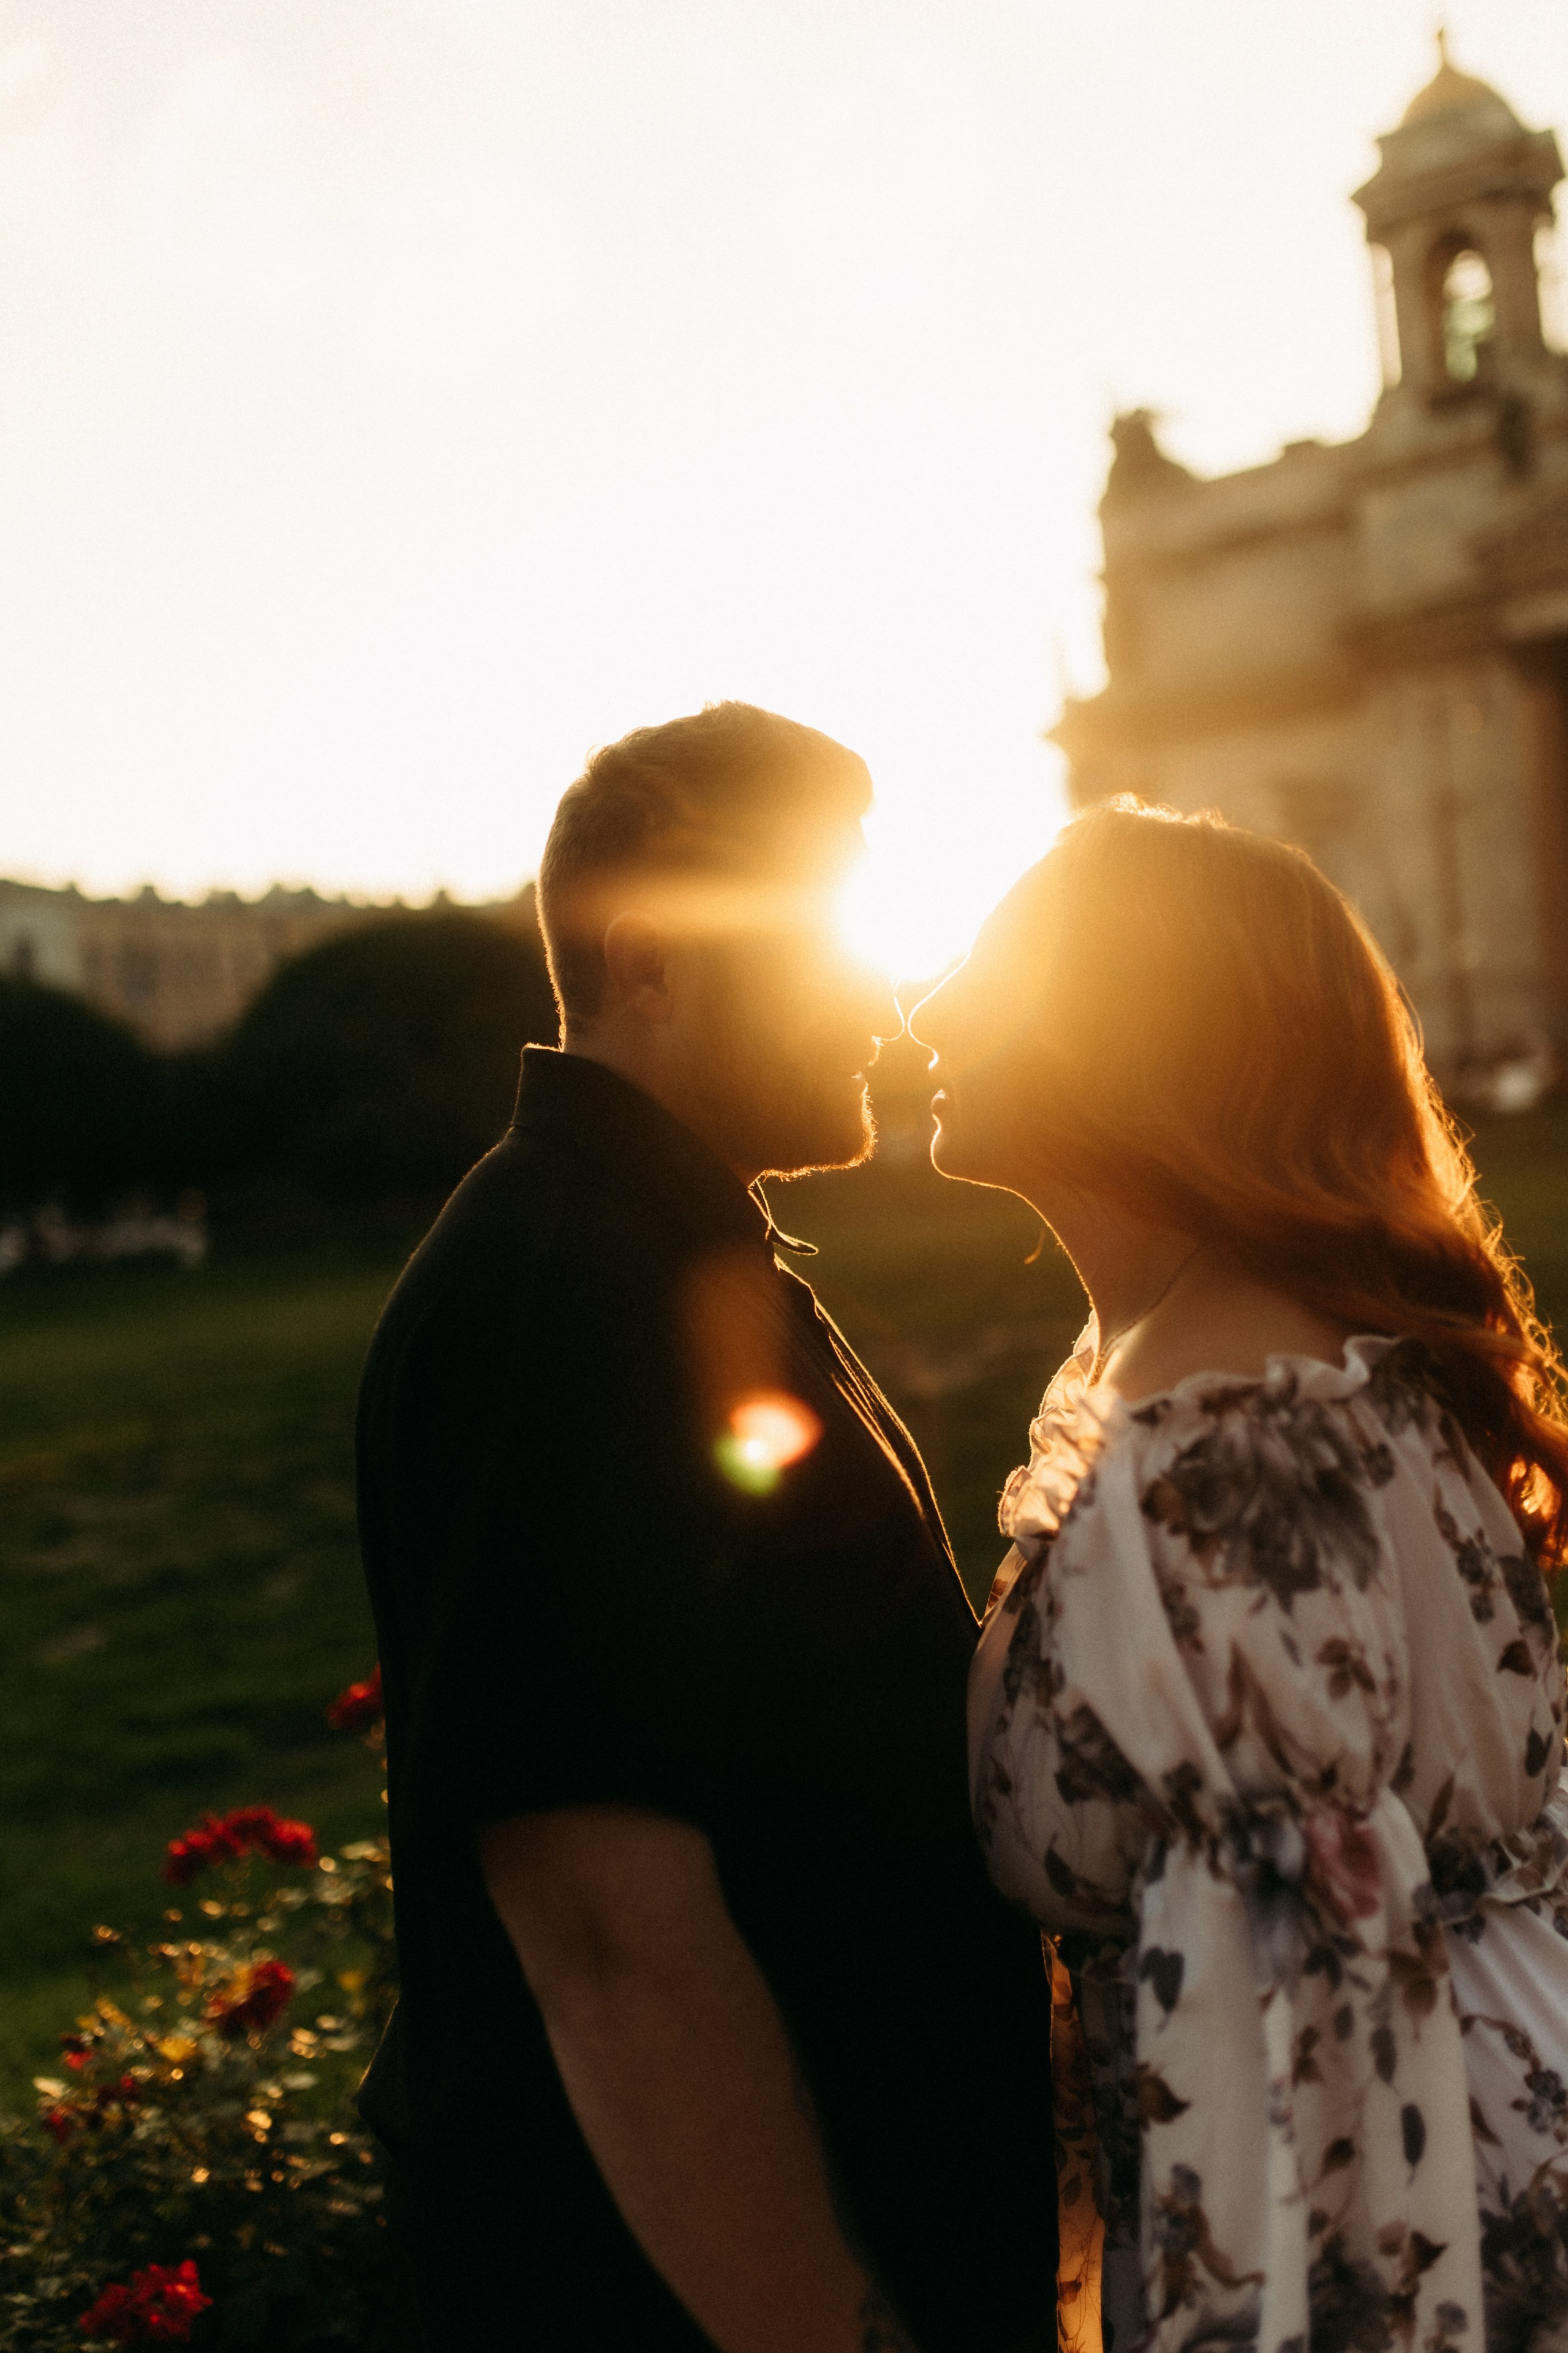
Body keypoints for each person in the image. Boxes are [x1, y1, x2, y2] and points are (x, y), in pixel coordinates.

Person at [354, 702, 1057, 2353]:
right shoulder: (558, 1292)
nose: (884, 1000)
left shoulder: (664, 1254)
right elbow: (604, 1926)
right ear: (652, 958)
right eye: (826, 945)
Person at [914, 799, 1568, 2353]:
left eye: (989, 969)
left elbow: (1311, 2061)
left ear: (1130, 1034)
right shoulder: (1261, 1370)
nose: (925, 1008)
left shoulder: (1222, 1452)